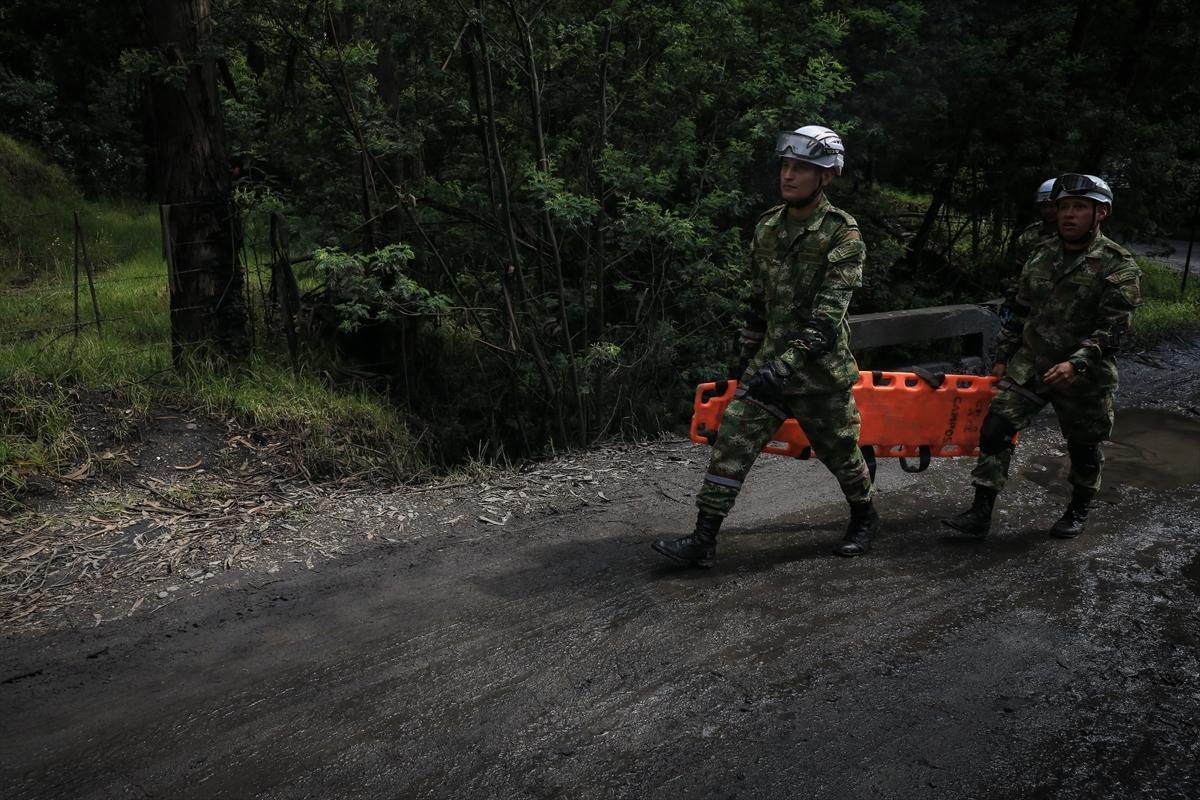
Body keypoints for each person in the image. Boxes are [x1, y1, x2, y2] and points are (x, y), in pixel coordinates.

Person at [652, 125, 878, 567]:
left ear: (826, 176)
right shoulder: (768, 227)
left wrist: (788, 363)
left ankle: (865, 516)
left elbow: (828, 316)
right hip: (768, 365)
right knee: (733, 440)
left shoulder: (842, 234)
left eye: (802, 168)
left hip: (818, 371)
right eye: (786, 165)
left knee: (841, 453)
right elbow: (758, 303)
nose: (788, 175)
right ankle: (703, 540)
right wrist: (744, 363)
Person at [943, 173, 1141, 539]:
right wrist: (1003, 355)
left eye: (1080, 207)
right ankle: (980, 512)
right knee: (996, 429)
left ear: (1102, 213)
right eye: (1064, 206)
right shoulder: (1041, 254)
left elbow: (1114, 330)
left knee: (1083, 447)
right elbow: (1018, 309)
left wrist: (1077, 363)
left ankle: (1078, 509)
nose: (1069, 215)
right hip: (1032, 363)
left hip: (1084, 374)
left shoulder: (1118, 265)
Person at [1012, 178, 1059, 271]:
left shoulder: (1071, 233)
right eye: (1044, 206)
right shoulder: (1029, 235)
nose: (1048, 211)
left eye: (1052, 206)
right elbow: (1018, 269)